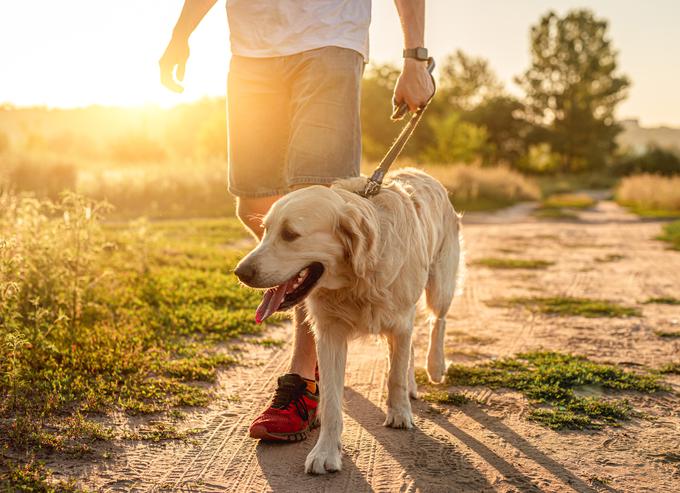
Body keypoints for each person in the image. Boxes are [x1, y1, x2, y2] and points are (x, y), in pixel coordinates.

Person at [160, 0, 434, 442]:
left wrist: (415, 56)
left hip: (330, 36)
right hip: (252, 46)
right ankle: (324, 315)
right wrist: (181, 32)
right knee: (253, 200)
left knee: (321, 203)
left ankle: (304, 380)